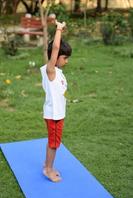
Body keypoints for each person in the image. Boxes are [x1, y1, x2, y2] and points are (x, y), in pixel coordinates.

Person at [40, 20, 72, 182]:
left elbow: (60, 90)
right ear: (56, 57)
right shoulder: (50, 70)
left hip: (57, 113)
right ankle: (48, 169)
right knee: (54, 144)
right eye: (65, 58)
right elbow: (56, 48)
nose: (67, 61)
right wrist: (59, 29)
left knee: (52, 142)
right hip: (54, 115)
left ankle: (47, 164)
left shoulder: (57, 72)